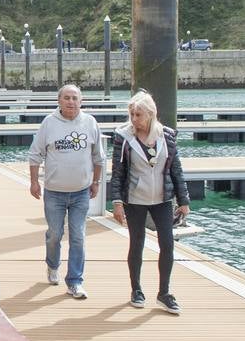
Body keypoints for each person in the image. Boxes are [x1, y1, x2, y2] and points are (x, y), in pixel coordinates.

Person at [110, 90, 190, 315]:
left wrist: (183, 201)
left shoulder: (167, 135)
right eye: (132, 114)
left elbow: (176, 169)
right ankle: (136, 289)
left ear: (151, 114)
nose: (135, 119)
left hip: (162, 199)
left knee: (167, 244)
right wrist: (117, 202)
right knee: (137, 243)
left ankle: (164, 293)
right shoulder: (123, 137)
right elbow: (117, 172)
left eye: (139, 115)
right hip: (135, 199)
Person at [27, 84, 104, 299]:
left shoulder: (90, 123)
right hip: (54, 192)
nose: (71, 102)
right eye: (67, 98)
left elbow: (99, 157)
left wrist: (96, 181)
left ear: (81, 101)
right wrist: (34, 182)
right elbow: (35, 154)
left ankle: (75, 281)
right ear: (59, 101)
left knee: (78, 236)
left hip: (81, 192)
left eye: (75, 98)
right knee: (55, 234)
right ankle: (52, 265)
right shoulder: (49, 123)